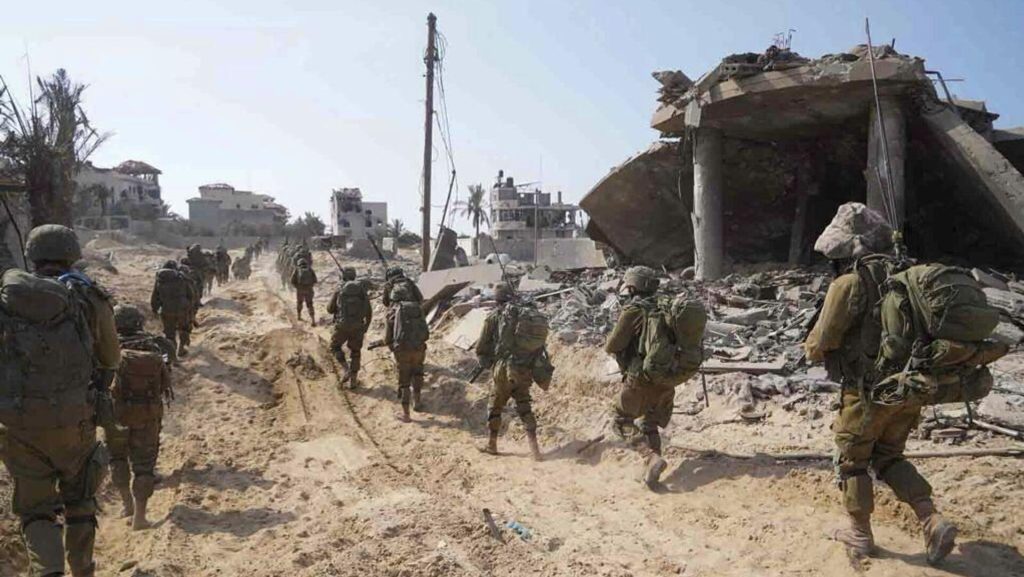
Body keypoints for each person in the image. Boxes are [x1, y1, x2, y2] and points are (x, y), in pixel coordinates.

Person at [804, 202, 957, 564]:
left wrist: (811, 347)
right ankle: (931, 519)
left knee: (852, 460)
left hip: (866, 393)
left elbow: (820, 342)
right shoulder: (910, 277)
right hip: (910, 389)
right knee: (888, 457)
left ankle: (860, 534)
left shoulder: (849, 283)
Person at [0, 224, 121, 577]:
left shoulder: (7, 299)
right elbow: (111, 359)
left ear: (32, 256)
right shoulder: (86, 296)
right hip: (75, 422)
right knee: (80, 501)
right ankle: (82, 570)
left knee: (36, 512)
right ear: (73, 255)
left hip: (18, 425)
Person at [604, 266, 671, 488]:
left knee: (621, 421)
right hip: (667, 377)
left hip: (640, 377)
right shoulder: (667, 307)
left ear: (632, 288)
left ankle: (649, 457)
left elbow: (612, 345)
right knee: (649, 423)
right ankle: (652, 475)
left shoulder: (634, 310)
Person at [109, 305, 174, 530]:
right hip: (147, 415)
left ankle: (126, 504)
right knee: (144, 467)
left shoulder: (106, 348)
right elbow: (166, 381)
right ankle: (140, 517)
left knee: (117, 459)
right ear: (139, 322)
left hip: (116, 415)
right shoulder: (155, 345)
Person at [475, 283, 551, 461]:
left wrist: (488, 363)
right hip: (524, 368)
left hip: (503, 369)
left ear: (497, 299)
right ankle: (535, 450)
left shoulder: (495, 317)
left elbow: (481, 346)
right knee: (524, 405)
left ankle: (492, 444)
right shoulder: (524, 314)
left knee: (495, 405)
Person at [384, 277, 429, 422]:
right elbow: (426, 332)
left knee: (404, 381)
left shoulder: (392, 312)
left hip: (402, 350)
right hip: (419, 348)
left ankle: (406, 414)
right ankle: (418, 402)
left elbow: (387, 339)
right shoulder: (418, 309)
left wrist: (394, 349)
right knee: (418, 373)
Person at [327, 267, 372, 388]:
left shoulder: (340, 290)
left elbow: (330, 309)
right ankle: (353, 380)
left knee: (334, 347)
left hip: (342, 326)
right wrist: (366, 327)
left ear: (343, 277)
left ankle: (346, 368)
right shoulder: (361, 291)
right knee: (355, 352)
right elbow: (369, 312)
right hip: (358, 327)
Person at [151, 260, 195, 358]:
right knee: (184, 329)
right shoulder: (182, 278)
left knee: (169, 333)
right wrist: (190, 308)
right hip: (182, 310)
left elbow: (155, 297)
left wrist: (155, 309)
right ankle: (181, 349)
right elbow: (191, 295)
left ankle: (172, 355)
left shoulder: (160, 279)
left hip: (166, 310)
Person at [290, 258, 318, 323]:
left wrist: (297, 287)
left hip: (300, 290)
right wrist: (310, 286)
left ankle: (299, 316)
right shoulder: (310, 269)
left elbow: (292, 281)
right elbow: (315, 280)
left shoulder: (297, 270)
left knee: (299, 302)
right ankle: (313, 319)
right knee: (310, 304)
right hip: (309, 290)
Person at [178, 258, 203, 329]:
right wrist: (199, 297)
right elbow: (200, 283)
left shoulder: (175, 274)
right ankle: (192, 320)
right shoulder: (194, 272)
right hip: (189, 297)